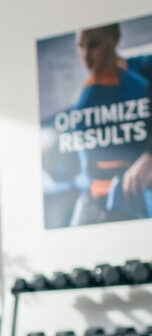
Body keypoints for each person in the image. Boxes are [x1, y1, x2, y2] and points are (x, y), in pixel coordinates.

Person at [68, 24, 152, 225]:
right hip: (100, 195)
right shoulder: (85, 98)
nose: (86, 56)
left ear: (114, 39)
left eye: (94, 45)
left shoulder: (144, 71)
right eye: (81, 47)